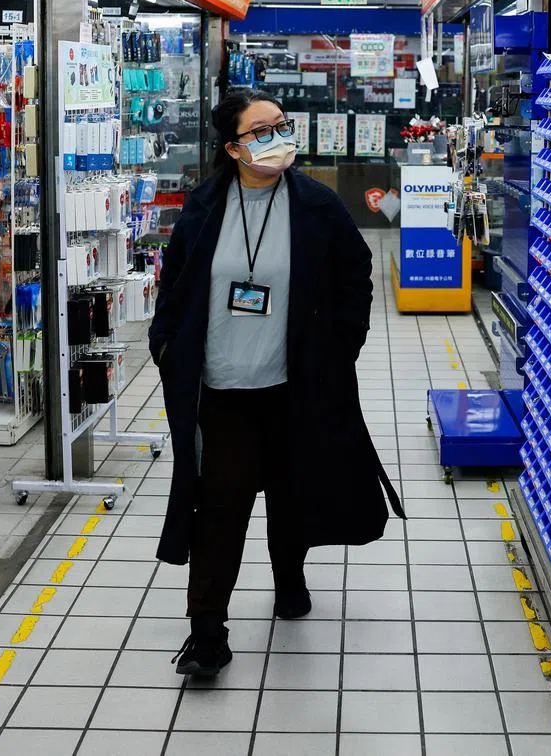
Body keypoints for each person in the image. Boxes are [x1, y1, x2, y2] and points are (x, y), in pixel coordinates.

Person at [149, 88, 404, 679]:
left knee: (293, 492)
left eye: (281, 126)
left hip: (296, 383)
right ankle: (207, 634)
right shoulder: (205, 205)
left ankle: (290, 578)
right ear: (235, 147)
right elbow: (176, 281)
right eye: (261, 130)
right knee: (221, 505)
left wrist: (342, 349)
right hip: (222, 388)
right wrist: (166, 344)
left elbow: (354, 277)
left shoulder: (316, 205)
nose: (277, 137)